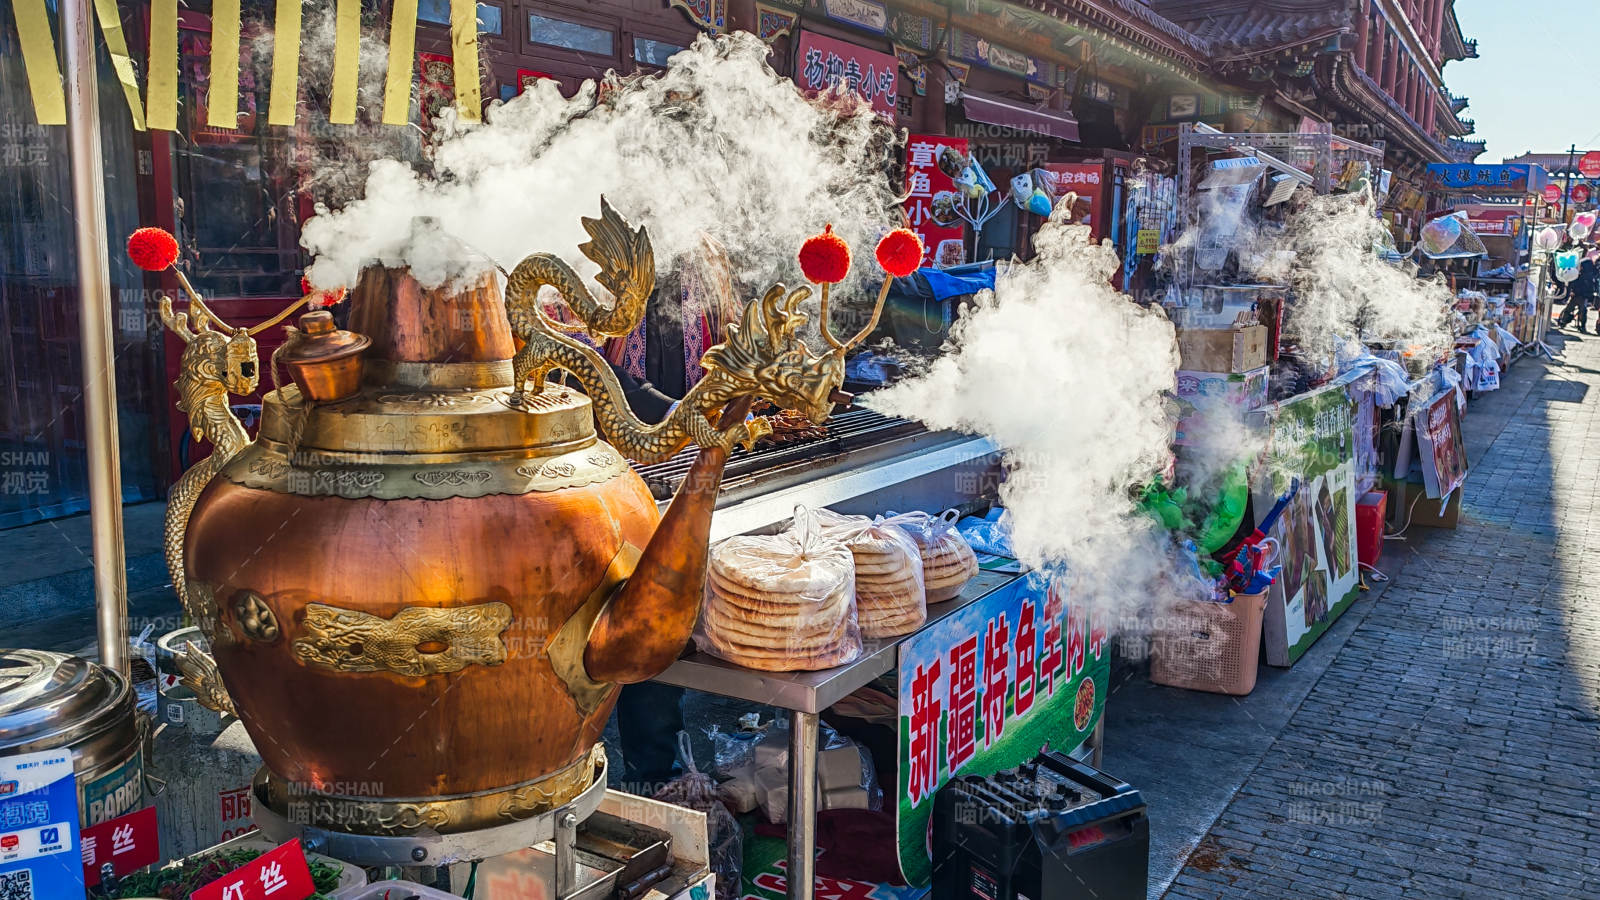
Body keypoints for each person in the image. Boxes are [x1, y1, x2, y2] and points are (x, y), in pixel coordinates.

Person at [1556, 252, 1598, 333]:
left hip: (1581, 295)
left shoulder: (1584, 275)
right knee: (1577, 309)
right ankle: (1567, 322)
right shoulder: (1585, 275)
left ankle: (1572, 323)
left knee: (1579, 310)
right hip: (1579, 295)